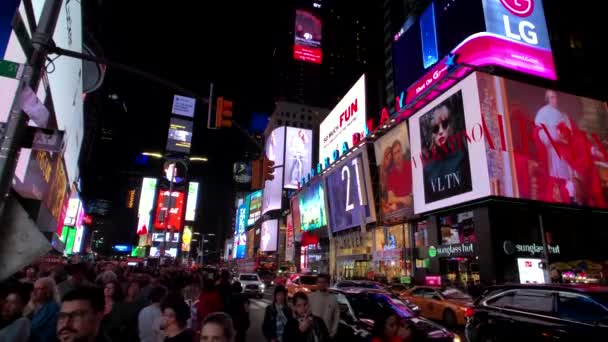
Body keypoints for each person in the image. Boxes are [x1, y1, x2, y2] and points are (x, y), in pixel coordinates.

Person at [27, 277, 60, 342]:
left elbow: (32, 329)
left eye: (38, 289)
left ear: (48, 291)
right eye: (34, 289)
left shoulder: (53, 308)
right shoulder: (38, 308)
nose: (34, 292)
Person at [308, 274, 339, 339]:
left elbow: (336, 317)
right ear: (316, 283)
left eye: (324, 282)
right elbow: (307, 314)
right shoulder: (311, 297)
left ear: (327, 283)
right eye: (319, 282)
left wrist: (333, 332)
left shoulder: (333, 299)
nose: (321, 284)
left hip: (328, 334)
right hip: (315, 334)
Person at [385, 141, 413, 211]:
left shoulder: (410, 165)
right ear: (393, 157)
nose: (398, 155)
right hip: (402, 209)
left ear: (402, 151)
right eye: (395, 153)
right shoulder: (391, 176)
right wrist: (402, 199)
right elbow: (390, 199)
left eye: (399, 151)